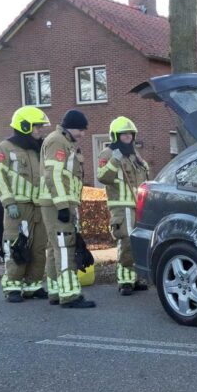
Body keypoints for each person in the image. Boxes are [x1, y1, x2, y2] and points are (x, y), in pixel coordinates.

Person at [0, 106, 50, 302]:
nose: (40, 130)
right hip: (19, 208)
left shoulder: (40, 148)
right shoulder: (5, 148)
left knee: (38, 248)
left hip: (39, 207)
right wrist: (9, 202)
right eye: (37, 126)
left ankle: (33, 285)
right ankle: (13, 287)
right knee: (17, 246)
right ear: (24, 126)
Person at [40, 109, 95, 309]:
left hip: (58, 202)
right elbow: (53, 174)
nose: (83, 133)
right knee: (65, 248)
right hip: (58, 204)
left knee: (55, 248)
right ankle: (70, 295)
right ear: (71, 126)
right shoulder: (58, 141)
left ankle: (56, 291)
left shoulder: (65, 142)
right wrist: (63, 205)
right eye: (81, 129)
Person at [96, 116, 149, 295]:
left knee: (137, 243)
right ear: (115, 136)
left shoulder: (135, 156)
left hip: (137, 205)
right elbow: (103, 177)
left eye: (130, 134)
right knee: (125, 242)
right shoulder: (108, 154)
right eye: (123, 135)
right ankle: (124, 280)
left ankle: (134, 277)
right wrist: (114, 161)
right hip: (121, 206)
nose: (127, 137)